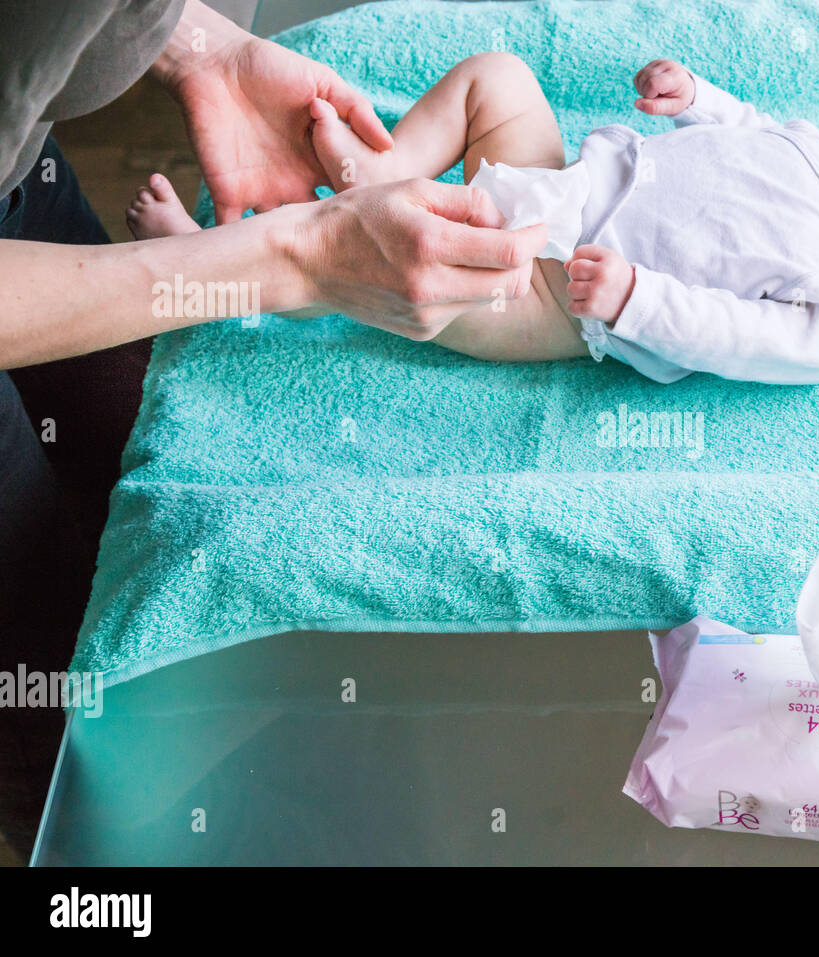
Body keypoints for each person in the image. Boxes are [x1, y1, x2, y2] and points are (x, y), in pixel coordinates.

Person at [0, 0, 545, 857]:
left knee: (126, 456)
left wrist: (198, 51)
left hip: (16, 180)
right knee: (49, 654)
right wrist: (292, 257)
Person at [138, 52, 819, 385]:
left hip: (562, 293)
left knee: (413, 281)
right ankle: (382, 172)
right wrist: (697, 97)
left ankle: (209, 272)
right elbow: (754, 135)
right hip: (576, 175)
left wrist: (636, 298)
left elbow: (733, 334)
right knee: (499, 79)